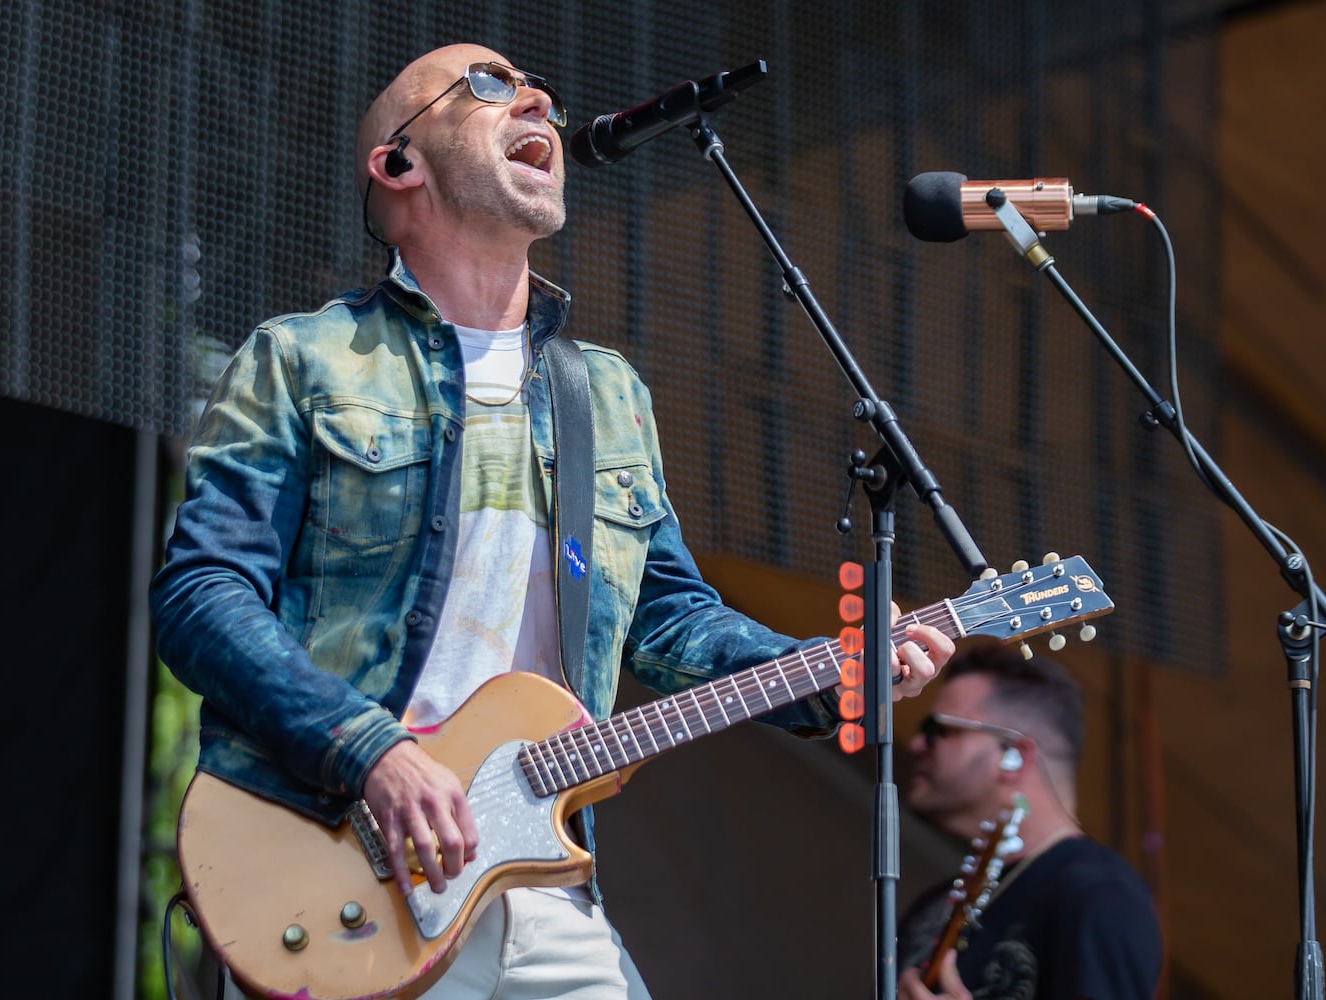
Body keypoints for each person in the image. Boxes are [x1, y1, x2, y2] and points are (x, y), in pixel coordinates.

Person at [150, 42, 953, 1000]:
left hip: (543, 882)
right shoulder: (305, 360)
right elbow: (203, 594)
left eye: (543, 92)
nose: (535, 97)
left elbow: (667, 619)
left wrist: (822, 671)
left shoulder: (602, 393)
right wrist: (372, 751)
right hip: (339, 867)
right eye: (491, 85)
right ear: (397, 164)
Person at [895, 639, 1161, 1000]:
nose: (917, 745)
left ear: (1013, 755)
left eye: (938, 729)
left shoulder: (1099, 894)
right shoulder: (933, 905)